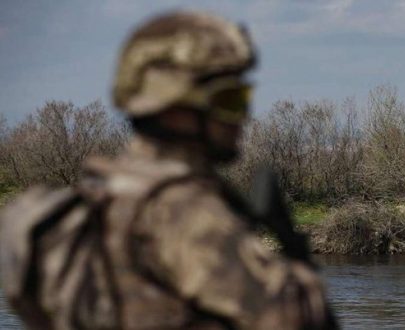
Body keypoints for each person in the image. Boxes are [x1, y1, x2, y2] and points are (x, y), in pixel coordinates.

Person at [0, 11, 337, 329]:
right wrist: (298, 264)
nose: (243, 115)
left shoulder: (98, 195)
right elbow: (290, 319)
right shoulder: (183, 209)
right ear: (177, 107)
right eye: (230, 99)